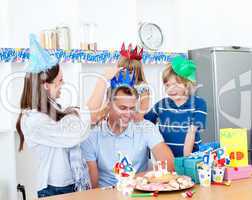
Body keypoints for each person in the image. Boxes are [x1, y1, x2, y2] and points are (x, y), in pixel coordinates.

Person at [15, 34, 119, 197]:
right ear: (46, 85)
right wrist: (102, 79)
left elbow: (85, 117)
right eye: (60, 80)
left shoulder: (52, 109)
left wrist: (106, 107)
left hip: (70, 184)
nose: (62, 84)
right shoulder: (34, 119)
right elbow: (82, 123)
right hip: (54, 189)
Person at [81, 68, 174, 188]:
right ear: (108, 105)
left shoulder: (145, 127)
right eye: (123, 108)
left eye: (132, 108)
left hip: (139, 191)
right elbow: (92, 185)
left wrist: (134, 181)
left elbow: (169, 165)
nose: (128, 114)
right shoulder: (92, 134)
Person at [144, 56, 207, 157]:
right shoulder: (160, 106)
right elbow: (145, 124)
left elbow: (191, 133)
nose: (171, 89)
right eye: (167, 85)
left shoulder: (198, 104)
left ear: (187, 84)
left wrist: (185, 162)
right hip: (167, 160)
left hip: (190, 159)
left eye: (176, 84)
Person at [117, 43, 150, 121]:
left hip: (134, 120)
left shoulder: (141, 86)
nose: (126, 74)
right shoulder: (118, 86)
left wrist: (139, 115)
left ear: (138, 72)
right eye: (123, 71)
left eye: (130, 72)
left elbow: (144, 103)